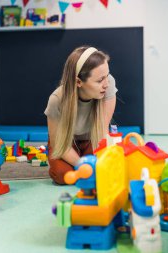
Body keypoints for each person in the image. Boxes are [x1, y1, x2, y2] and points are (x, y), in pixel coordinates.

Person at [44, 46, 117, 185]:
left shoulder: (108, 84)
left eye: (107, 76)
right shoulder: (56, 99)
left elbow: (101, 132)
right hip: (66, 142)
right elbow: (58, 143)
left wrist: (95, 165)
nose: (106, 84)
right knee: (62, 175)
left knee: (101, 170)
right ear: (78, 82)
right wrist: (82, 164)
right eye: (100, 80)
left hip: (93, 138)